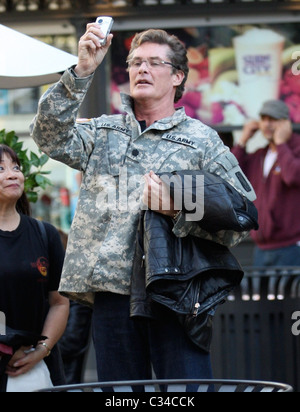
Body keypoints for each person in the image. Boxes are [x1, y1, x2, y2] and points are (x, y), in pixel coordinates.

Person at [30, 27, 256, 383]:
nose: (142, 69)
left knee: (185, 391)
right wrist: (82, 72)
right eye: (135, 62)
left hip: (177, 292)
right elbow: (48, 135)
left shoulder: (201, 140)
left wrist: (178, 207)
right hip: (112, 293)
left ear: (178, 76)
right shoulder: (103, 130)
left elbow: (240, 216)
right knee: (121, 394)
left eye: (154, 62)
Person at [0, 145, 69, 391]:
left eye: (15, 167)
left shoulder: (45, 234)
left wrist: (42, 349)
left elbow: (59, 302)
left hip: (38, 367)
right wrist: (6, 347)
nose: (12, 174)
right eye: (1, 169)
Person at [232, 100, 300, 267]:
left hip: (292, 248)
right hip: (261, 248)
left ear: (286, 124)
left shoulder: (296, 148)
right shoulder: (260, 155)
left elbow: (293, 175)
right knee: (262, 294)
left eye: (273, 119)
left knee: (291, 294)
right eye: (263, 119)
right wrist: (243, 140)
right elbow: (231, 175)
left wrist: (281, 143)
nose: (267, 124)